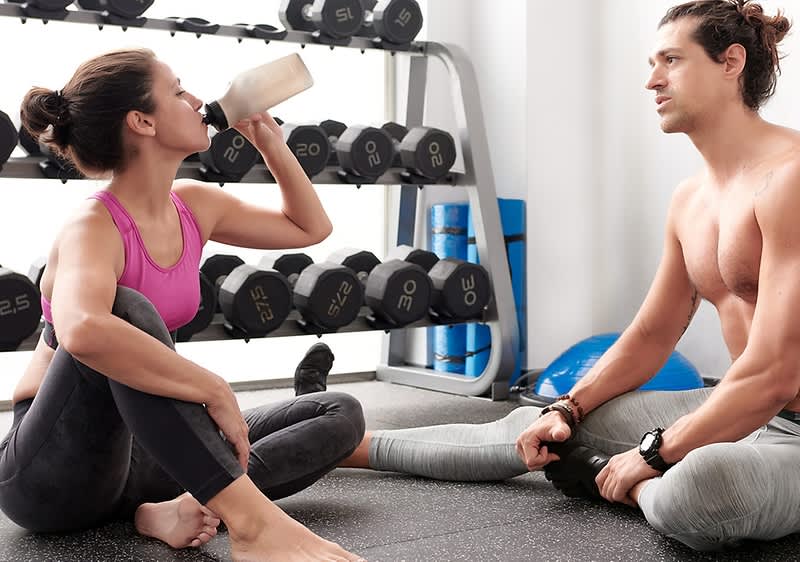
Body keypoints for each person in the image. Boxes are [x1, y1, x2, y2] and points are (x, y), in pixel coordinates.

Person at [339, 0, 800, 552]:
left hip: (788, 428)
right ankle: (347, 446)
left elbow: (776, 374)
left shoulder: (790, 182)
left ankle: (635, 484)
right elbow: (652, 336)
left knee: (696, 489)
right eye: (652, 62)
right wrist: (568, 407)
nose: (652, 80)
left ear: (730, 63)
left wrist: (653, 454)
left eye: (671, 61)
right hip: (739, 410)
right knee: (548, 427)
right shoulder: (691, 201)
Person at [0, 47, 367, 562]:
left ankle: (174, 505)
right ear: (141, 121)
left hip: (146, 453)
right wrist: (211, 387)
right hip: (52, 470)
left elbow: (310, 228)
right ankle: (250, 522)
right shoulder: (92, 225)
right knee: (124, 310)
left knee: (338, 412)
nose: (196, 99)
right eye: (177, 90)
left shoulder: (193, 205)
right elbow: (83, 330)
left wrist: (270, 144)